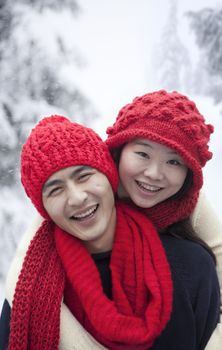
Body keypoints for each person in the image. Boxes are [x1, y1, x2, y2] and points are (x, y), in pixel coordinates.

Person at [0, 115, 174, 349]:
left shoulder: (191, 265)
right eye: (55, 190)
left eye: (84, 176)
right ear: (45, 211)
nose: (77, 198)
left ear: (110, 176)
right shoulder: (27, 295)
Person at [105, 89, 222, 349]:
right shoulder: (89, 186)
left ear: (189, 174)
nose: (154, 173)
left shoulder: (188, 203)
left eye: (173, 162)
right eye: (142, 154)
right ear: (120, 148)